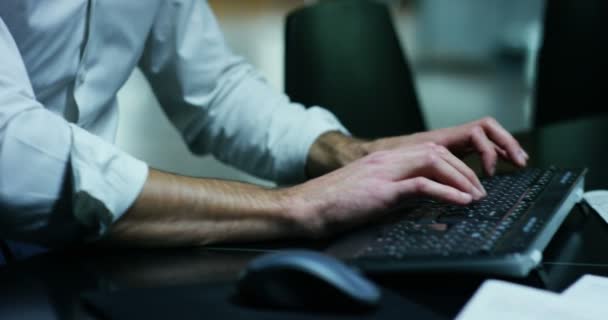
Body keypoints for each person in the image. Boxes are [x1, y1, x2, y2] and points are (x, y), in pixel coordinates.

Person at [0, 1, 528, 248]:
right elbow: (14, 155)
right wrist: (300, 205)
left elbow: (214, 90)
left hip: (80, 250)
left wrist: (352, 154)